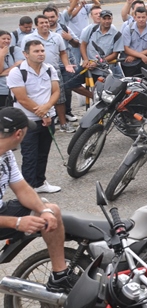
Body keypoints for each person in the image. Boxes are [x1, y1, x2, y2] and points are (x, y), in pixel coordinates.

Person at [0, 108, 78, 292]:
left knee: (52, 210)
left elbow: (22, 189)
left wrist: (44, 210)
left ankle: (60, 276)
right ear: (19, 134)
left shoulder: (6, 154)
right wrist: (18, 222)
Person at [7, 40, 61, 193]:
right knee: (30, 155)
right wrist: (42, 112)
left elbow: (56, 91)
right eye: (36, 51)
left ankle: (40, 182)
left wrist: (47, 108)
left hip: (48, 118)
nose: (41, 54)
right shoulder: (17, 72)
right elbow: (22, 98)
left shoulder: (49, 69)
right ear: (26, 54)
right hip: (27, 121)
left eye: (42, 51)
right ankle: (28, 189)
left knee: (43, 153)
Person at [79, 9, 122, 77]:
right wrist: (85, 60)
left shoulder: (117, 34)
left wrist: (98, 63)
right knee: (72, 83)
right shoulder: (91, 29)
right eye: (104, 19)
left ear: (112, 19)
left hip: (106, 69)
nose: (107, 21)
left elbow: (114, 54)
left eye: (109, 19)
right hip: (89, 67)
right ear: (100, 19)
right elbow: (83, 44)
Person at [121, 7, 147, 78]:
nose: (141, 20)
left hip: (145, 61)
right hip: (130, 63)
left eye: (143, 17)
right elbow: (126, 48)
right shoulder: (128, 28)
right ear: (134, 17)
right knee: (132, 84)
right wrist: (141, 56)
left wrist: (135, 56)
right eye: (139, 17)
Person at [0, 31, 24, 107]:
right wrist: (2, 56)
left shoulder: (15, 50)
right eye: (3, 39)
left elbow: (20, 65)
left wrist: (2, 73)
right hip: (2, 90)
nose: (6, 41)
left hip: (15, 89)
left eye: (8, 39)